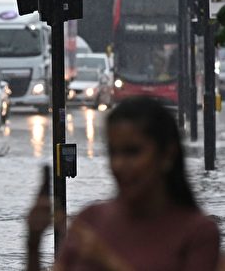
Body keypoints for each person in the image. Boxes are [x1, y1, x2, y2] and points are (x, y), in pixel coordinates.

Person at [27, 96, 221, 271]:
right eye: (113, 153)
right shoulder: (90, 220)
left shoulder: (197, 233)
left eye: (132, 152)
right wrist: (33, 244)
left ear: (167, 154)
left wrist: (106, 260)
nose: (119, 165)